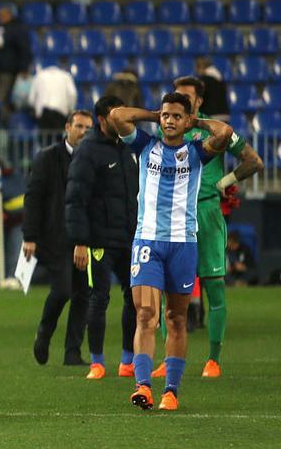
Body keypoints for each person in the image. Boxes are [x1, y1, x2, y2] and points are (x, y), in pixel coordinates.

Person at [108, 93, 233, 411]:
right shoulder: (145, 146)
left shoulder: (196, 152)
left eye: (177, 116)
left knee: (176, 318)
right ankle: (143, 386)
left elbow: (225, 133)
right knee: (146, 315)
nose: (169, 120)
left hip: (183, 244)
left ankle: (171, 392)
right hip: (148, 242)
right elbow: (117, 115)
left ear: (187, 121)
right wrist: (154, 114)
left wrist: (197, 122)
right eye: (166, 115)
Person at [151, 76, 263, 379]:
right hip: (172, 217)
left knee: (213, 285)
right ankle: (167, 358)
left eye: (187, 98)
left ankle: (213, 359)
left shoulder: (214, 130)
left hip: (207, 213)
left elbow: (254, 161)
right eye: (177, 99)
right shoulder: (167, 129)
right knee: (168, 293)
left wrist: (225, 182)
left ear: (198, 102)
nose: (181, 105)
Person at [65, 95, 139, 380]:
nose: (123, 120)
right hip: (98, 241)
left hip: (129, 238)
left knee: (134, 298)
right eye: (116, 115)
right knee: (99, 298)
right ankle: (97, 362)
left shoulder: (129, 147)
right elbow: (75, 199)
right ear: (102, 119)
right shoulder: (88, 151)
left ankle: (127, 361)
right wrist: (80, 241)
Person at [26, 110, 93, 366]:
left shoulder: (92, 159)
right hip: (54, 237)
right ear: (67, 127)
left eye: (88, 127)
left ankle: (72, 352)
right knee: (63, 290)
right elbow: (33, 198)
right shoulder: (47, 158)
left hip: (85, 238)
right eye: (79, 126)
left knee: (83, 294)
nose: (83, 131)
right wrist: (30, 236)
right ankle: (44, 332)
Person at [0, 6, 32, 122]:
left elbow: (25, 49)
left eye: (2, 15)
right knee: (1, 97)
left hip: (10, 69)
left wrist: (24, 67)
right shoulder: (0, 28)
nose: (0, 18)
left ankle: (7, 122)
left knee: (4, 97)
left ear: (9, 15)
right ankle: (4, 121)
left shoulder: (18, 29)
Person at [27, 65, 77, 129]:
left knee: (45, 137)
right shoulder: (66, 76)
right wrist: (70, 110)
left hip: (43, 113)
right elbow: (72, 94)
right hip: (60, 113)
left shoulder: (39, 76)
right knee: (57, 137)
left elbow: (31, 99)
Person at [195, 57, 230, 122]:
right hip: (224, 115)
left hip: (211, 115)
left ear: (201, 67)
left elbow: (199, 97)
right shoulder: (219, 79)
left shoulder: (204, 80)